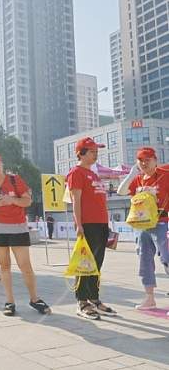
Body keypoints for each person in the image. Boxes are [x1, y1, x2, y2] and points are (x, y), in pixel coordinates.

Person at [0, 149, 51, 316]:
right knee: (4, 266)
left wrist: (12, 200)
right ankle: (9, 302)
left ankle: (34, 298)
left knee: (25, 265)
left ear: (2, 163)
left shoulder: (14, 179)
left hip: (17, 226)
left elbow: (27, 201)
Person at [67, 137, 117, 320]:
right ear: (81, 153)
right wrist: (79, 224)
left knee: (96, 264)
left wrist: (106, 223)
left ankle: (94, 298)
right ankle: (82, 302)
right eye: (92, 151)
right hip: (87, 225)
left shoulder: (94, 174)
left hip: (101, 224)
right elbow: (76, 201)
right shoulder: (76, 173)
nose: (96, 154)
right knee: (84, 264)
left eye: (96, 151)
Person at [117, 147, 169, 310]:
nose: (144, 163)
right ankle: (150, 298)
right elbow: (121, 191)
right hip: (142, 227)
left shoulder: (165, 175)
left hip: (162, 223)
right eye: (140, 160)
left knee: (167, 259)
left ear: (155, 160)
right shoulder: (138, 179)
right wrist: (132, 173)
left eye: (148, 159)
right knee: (144, 261)